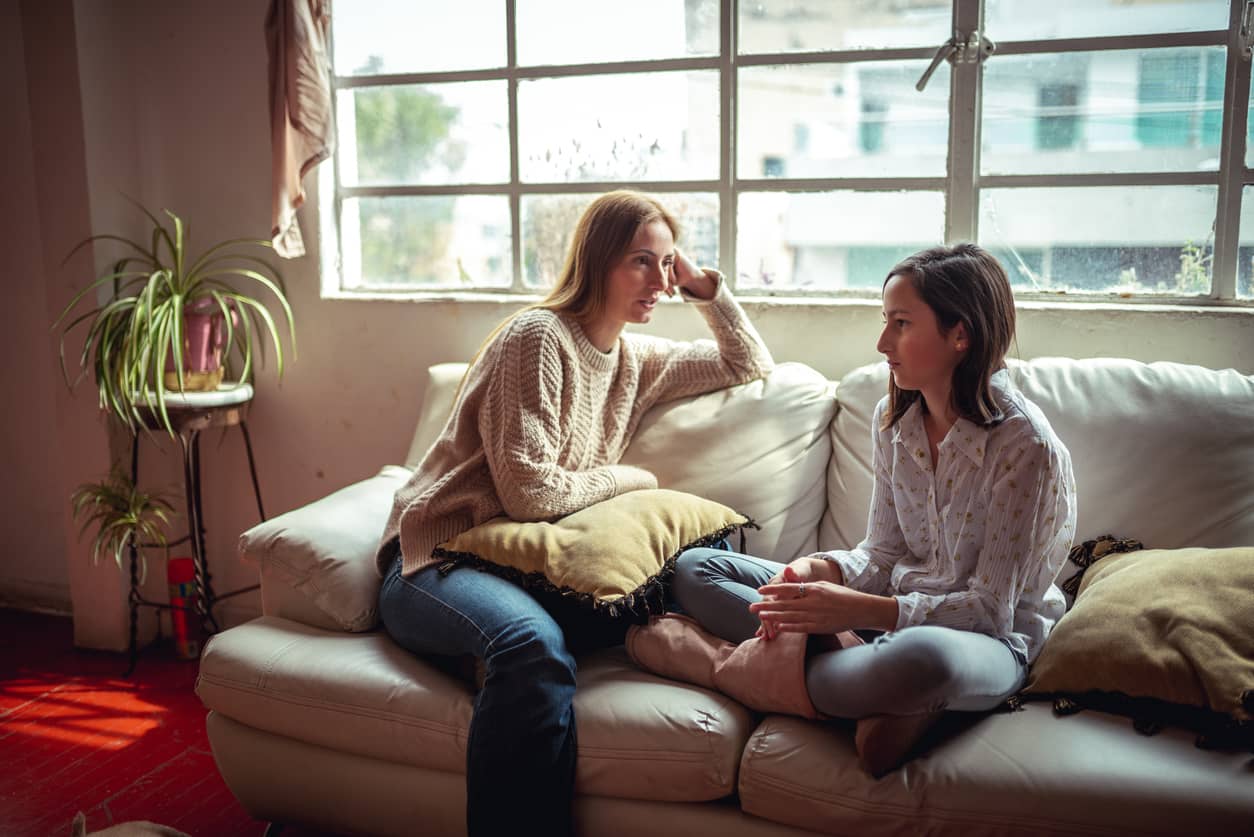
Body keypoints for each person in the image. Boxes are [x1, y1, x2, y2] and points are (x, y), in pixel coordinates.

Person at [375, 190, 774, 836]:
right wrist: (630, 478)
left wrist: (703, 286)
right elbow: (528, 493)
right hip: (437, 558)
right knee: (531, 646)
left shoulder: (635, 360)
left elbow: (747, 361)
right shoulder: (538, 337)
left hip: (521, 566)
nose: (659, 281)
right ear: (598, 261)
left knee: (683, 581)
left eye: (666, 264)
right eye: (641, 262)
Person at [670, 243, 1076, 772]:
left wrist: (855, 611)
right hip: (883, 620)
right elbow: (883, 553)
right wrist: (822, 570)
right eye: (886, 321)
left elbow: (988, 610)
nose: (883, 342)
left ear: (961, 334)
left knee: (924, 658)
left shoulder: (1027, 449)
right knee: (698, 568)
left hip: (986, 643)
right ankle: (857, 686)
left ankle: (770, 672)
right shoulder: (895, 418)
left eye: (901, 323)